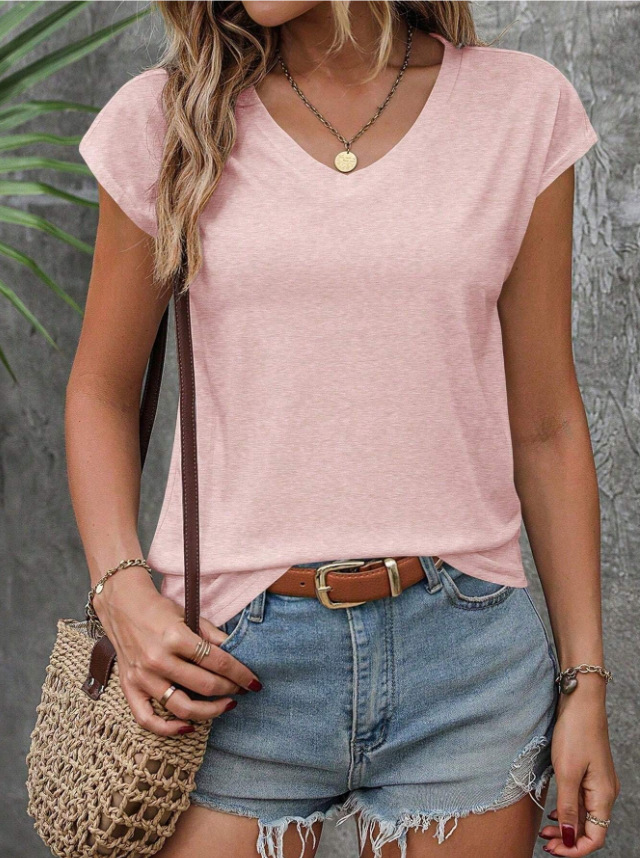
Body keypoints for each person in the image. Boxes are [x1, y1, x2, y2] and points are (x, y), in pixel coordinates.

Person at [67, 2, 619, 857]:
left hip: (466, 659)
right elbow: (102, 390)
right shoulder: (167, 119)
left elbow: (546, 423)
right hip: (224, 658)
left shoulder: (520, 108)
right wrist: (122, 590)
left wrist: (585, 682)